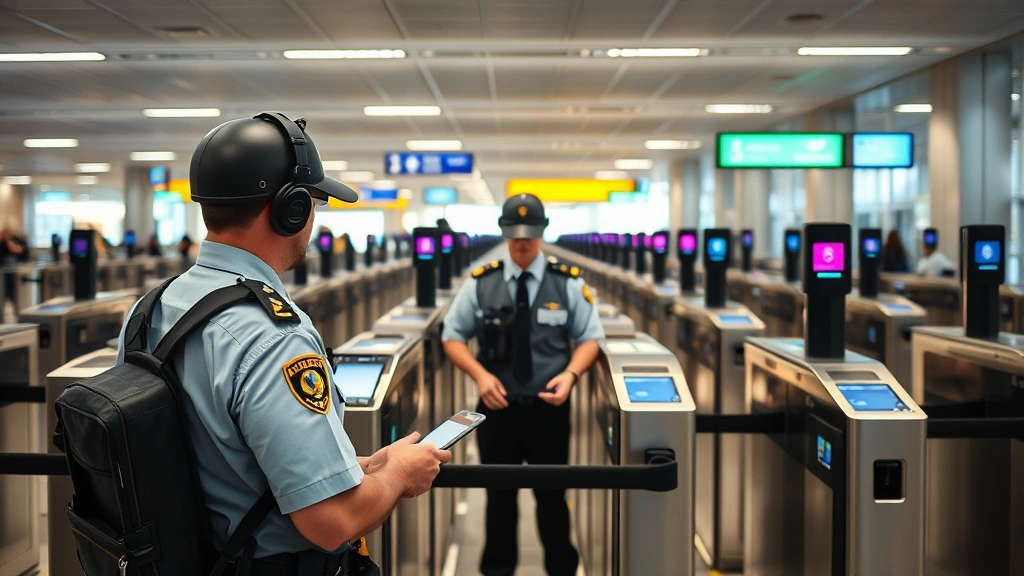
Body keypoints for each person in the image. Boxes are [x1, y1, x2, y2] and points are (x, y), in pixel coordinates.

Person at [115, 112, 450, 573]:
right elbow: (331, 522)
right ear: (290, 209)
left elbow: (212, 453)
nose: (314, 217)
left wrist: (353, 465)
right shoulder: (272, 337)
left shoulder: (150, 308)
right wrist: (399, 474)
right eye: (314, 202)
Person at [442, 193, 606, 576]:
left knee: (552, 499)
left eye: (530, 233)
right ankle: (498, 570)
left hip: (549, 410)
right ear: (503, 232)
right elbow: (452, 336)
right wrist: (481, 376)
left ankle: (562, 570)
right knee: (499, 498)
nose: (522, 241)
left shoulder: (568, 283)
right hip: (496, 412)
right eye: (515, 233)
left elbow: (590, 338)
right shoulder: (482, 284)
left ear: (543, 231)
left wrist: (570, 374)